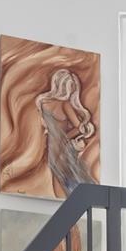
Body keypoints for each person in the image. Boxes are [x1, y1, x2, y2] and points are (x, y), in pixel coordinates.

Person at [35, 67, 97, 199]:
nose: (73, 92)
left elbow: (47, 126)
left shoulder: (44, 103)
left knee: (58, 176)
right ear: (65, 87)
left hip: (51, 146)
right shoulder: (65, 105)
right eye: (72, 87)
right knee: (69, 176)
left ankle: (64, 203)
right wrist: (67, 137)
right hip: (63, 147)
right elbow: (80, 128)